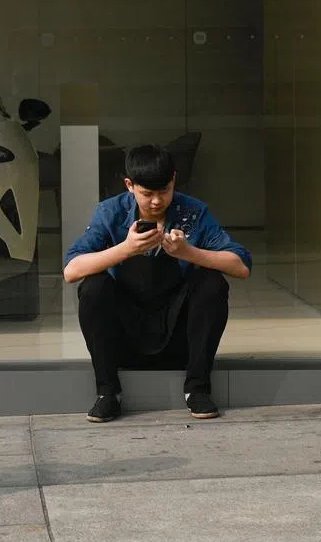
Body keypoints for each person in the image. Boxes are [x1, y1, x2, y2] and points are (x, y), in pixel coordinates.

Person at [63, 144, 251, 423]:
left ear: (174, 180)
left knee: (211, 282)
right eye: (147, 193)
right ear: (129, 185)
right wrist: (126, 249)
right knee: (94, 286)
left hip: (178, 335)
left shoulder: (192, 212)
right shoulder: (110, 213)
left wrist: (188, 253)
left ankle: (197, 387)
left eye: (163, 191)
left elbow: (241, 266)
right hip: (125, 335)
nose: (155, 201)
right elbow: (71, 270)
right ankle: (107, 392)